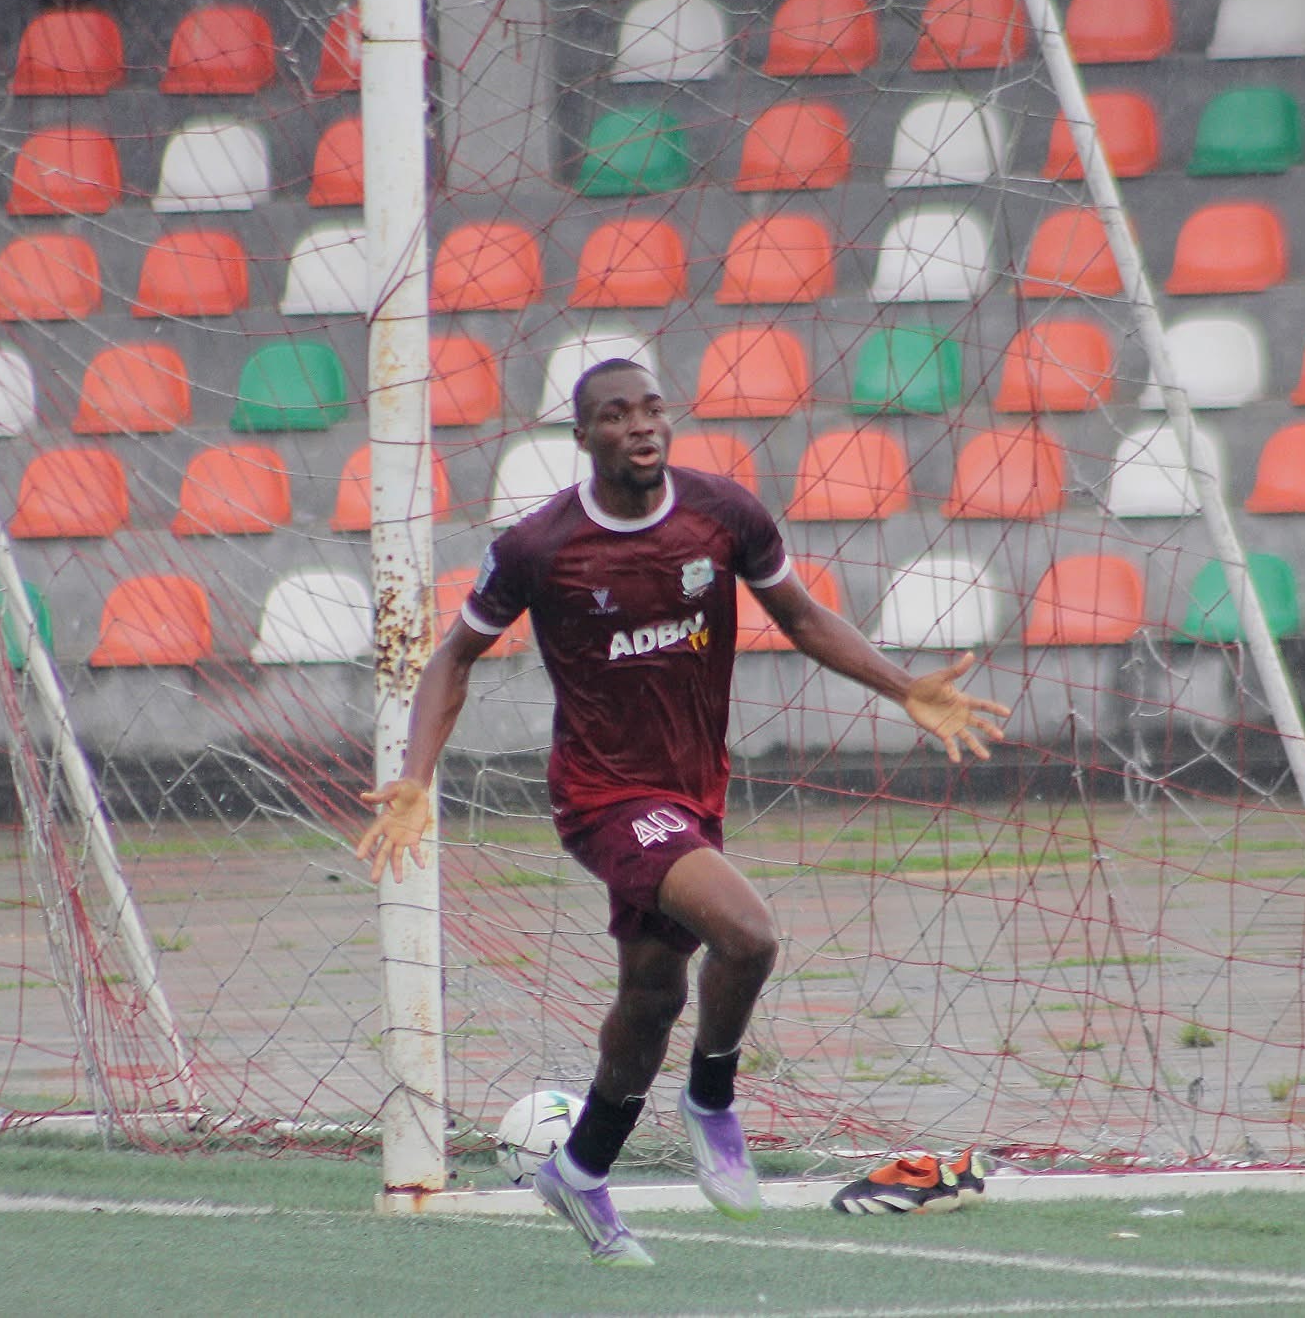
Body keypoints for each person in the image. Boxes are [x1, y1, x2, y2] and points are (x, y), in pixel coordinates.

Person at [355, 359, 1007, 1267]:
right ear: (583, 438)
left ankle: (579, 1169)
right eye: (615, 414)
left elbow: (804, 616)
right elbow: (453, 658)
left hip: (694, 789)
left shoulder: (723, 514)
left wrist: (905, 690)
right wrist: (418, 772)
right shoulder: (540, 547)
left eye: (652, 407)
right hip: (601, 796)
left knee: (654, 993)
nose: (641, 424)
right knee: (749, 934)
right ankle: (711, 1097)